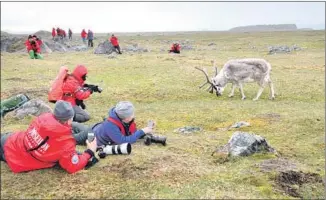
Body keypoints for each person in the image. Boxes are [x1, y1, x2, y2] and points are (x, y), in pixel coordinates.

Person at [0, 100, 98, 174]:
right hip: (17, 159)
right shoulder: (65, 143)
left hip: (11, 140)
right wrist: (89, 152)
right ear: (69, 120)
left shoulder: (43, 118)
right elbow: (73, 166)